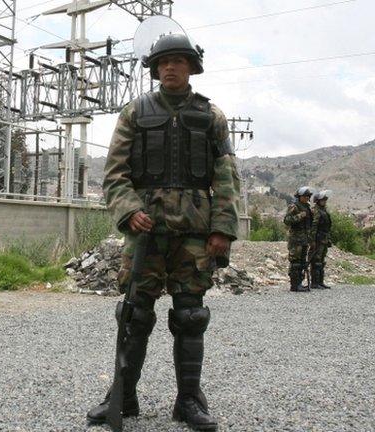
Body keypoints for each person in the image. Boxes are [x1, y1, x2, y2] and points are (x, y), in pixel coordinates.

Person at [87, 33, 239, 431]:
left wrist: (222, 229)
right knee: (134, 314)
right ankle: (123, 396)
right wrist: (129, 210)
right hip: (146, 232)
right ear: (155, 69)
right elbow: (115, 174)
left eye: (178, 60)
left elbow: (226, 178)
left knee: (190, 316)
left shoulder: (212, 117)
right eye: (163, 62)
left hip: (194, 234)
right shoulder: (134, 113)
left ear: (191, 67)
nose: (169, 67)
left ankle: (188, 401)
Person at [283, 186, 313, 292]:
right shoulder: (294, 206)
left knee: (302, 262)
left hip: (304, 240)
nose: (306, 198)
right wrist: (299, 216)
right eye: (304, 196)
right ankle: (294, 285)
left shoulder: (308, 208)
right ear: (299, 197)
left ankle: (299, 283)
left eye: (308, 196)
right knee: (295, 263)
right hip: (295, 240)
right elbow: (287, 220)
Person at [309, 190, 332, 289]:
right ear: (318, 201)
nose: (325, 201)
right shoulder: (317, 211)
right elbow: (314, 227)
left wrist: (328, 239)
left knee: (321, 261)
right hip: (318, 239)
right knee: (316, 260)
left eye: (325, 200)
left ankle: (320, 282)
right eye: (323, 200)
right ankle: (315, 283)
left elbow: (327, 227)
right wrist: (312, 240)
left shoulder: (323, 210)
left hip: (324, 239)